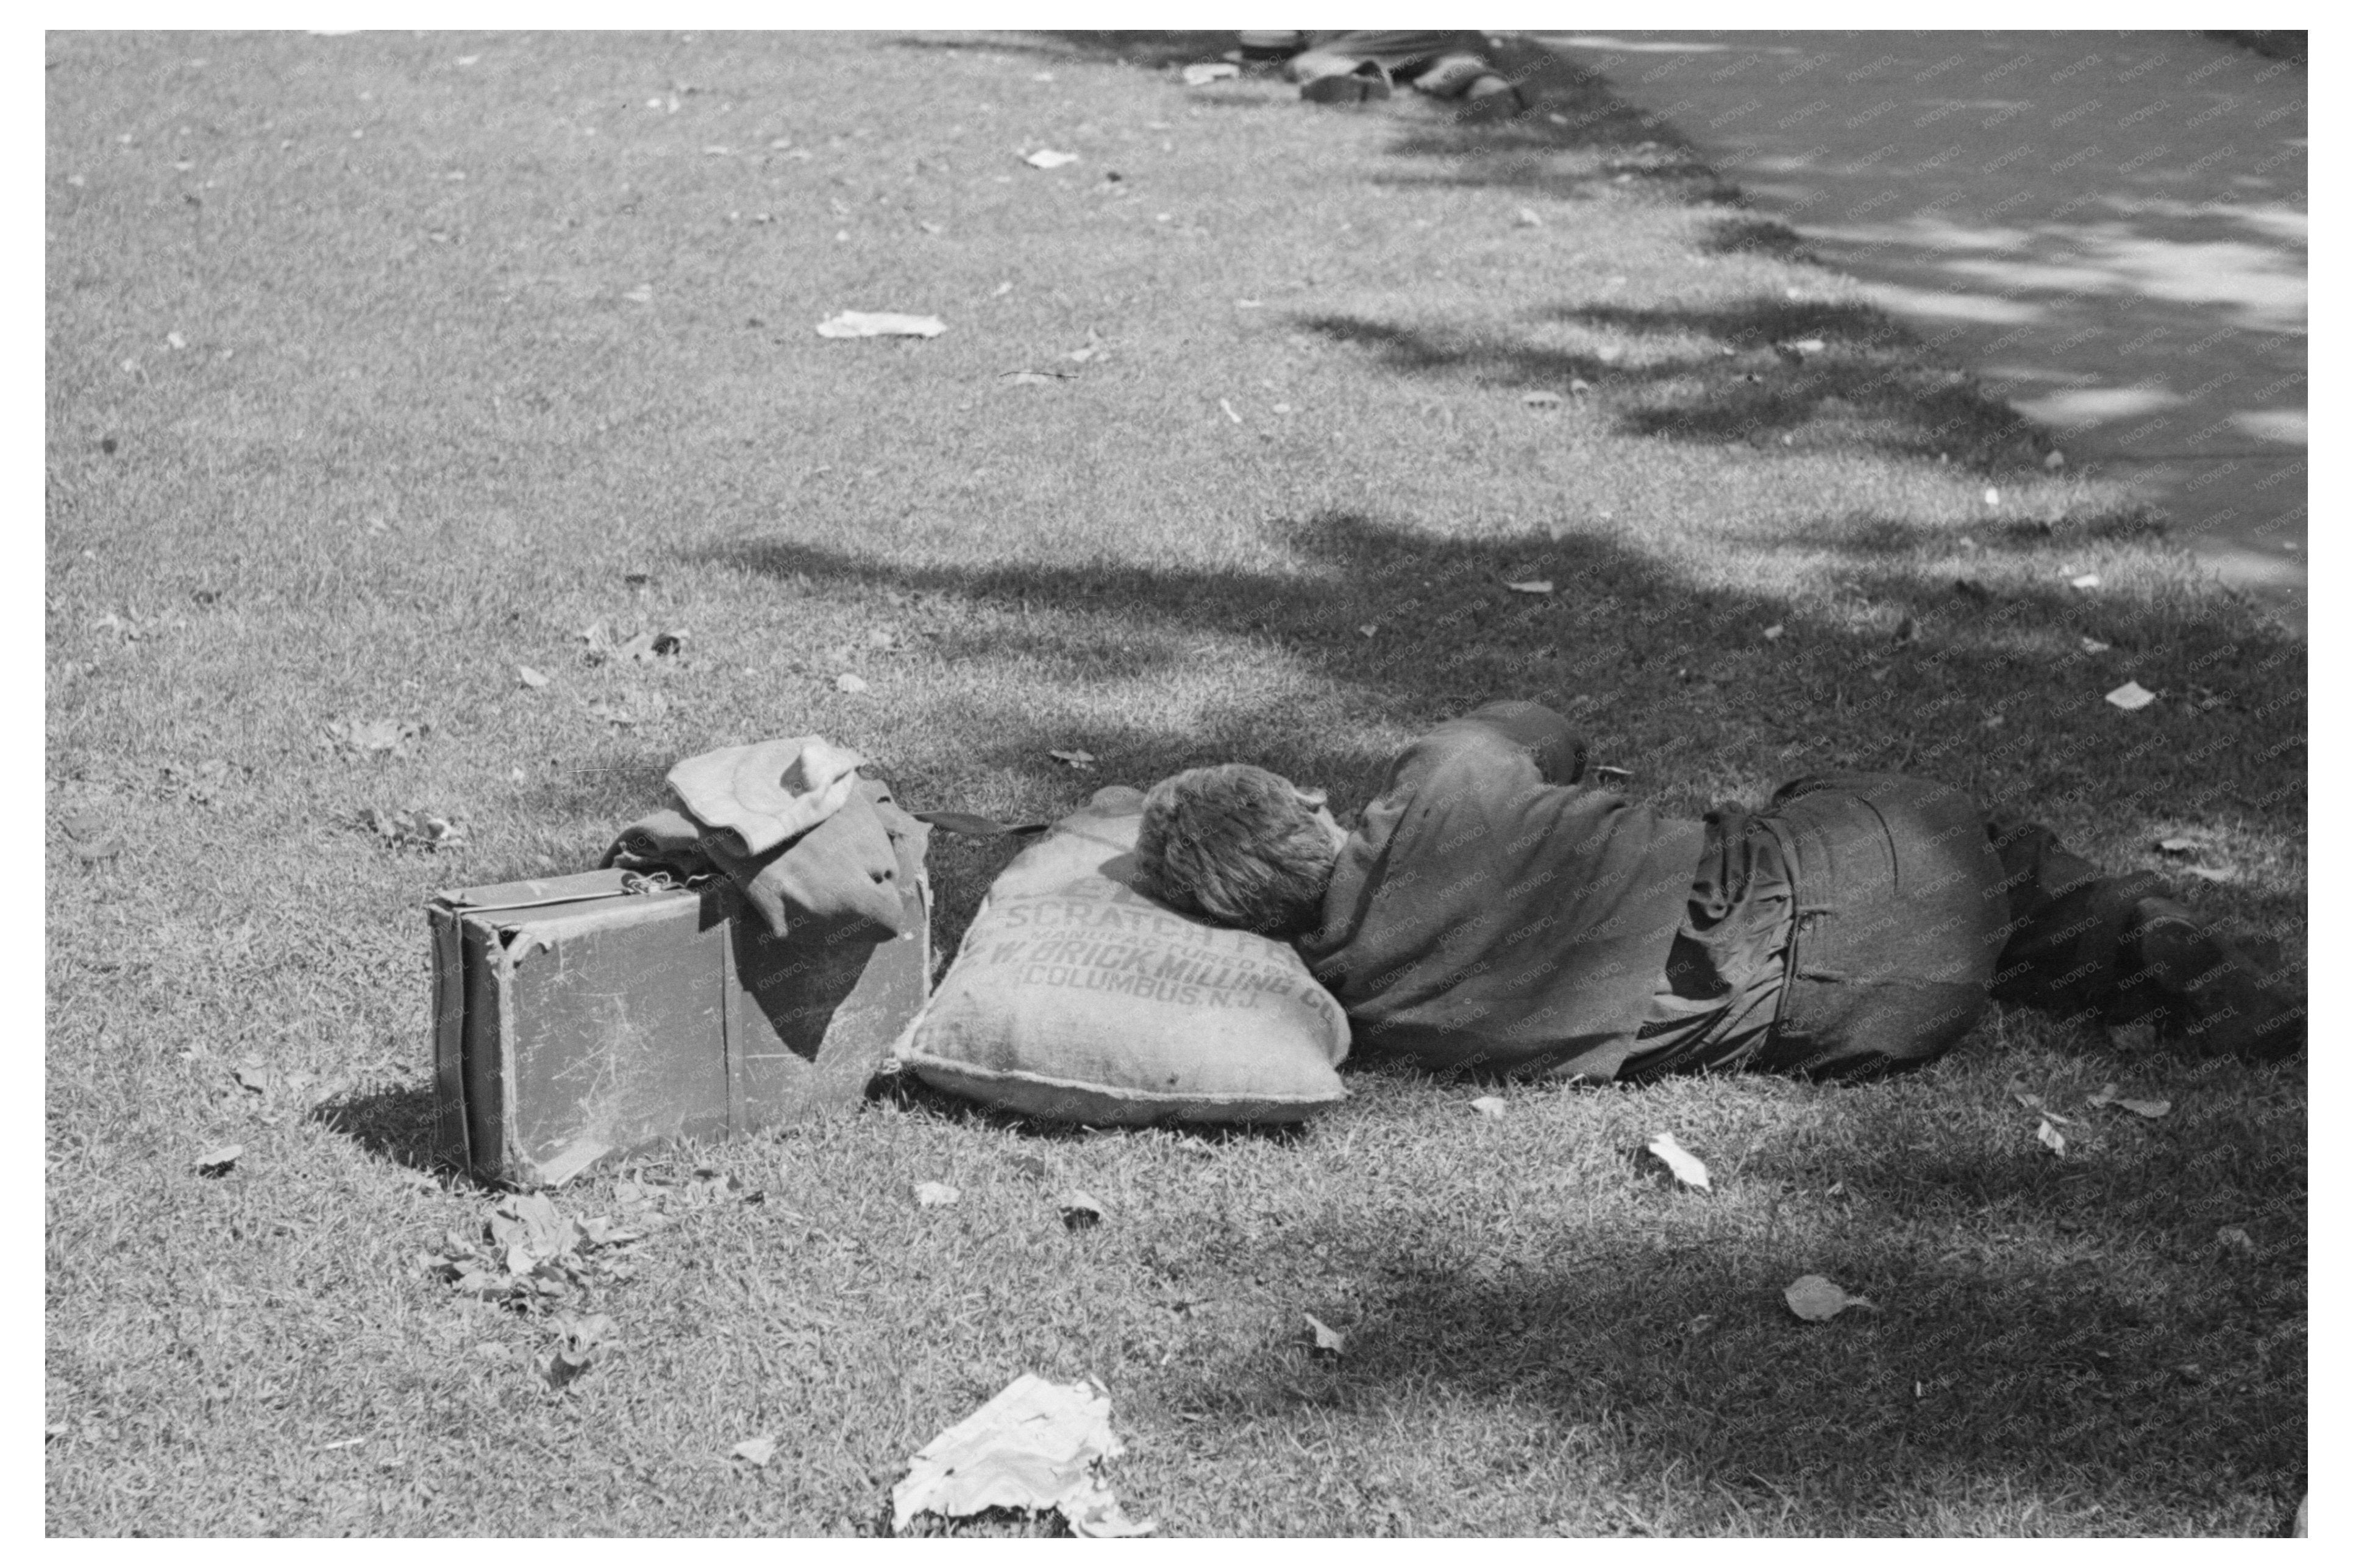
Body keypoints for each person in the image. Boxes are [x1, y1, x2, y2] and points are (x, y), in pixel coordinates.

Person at [1133, 700, 2304, 1083]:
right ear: (1308, 809)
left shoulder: (1358, 1015)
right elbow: (1549, 727)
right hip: (1878, 866)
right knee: (1951, 839)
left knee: (2007, 917)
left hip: (1863, 1028)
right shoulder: (1441, 785)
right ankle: (2238, 993)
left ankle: (2066, 957)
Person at [1236, 30, 1526, 117]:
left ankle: (1360, 78)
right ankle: (1483, 86)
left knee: (1310, 63)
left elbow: (1271, 39)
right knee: (1457, 61)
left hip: (1359, 35)